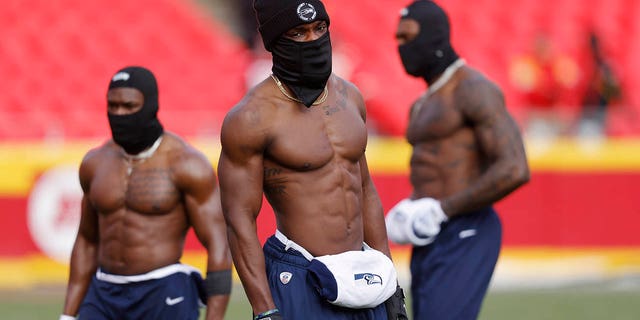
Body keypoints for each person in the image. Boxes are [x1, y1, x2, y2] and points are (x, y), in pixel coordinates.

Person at [217, 1, 408, 319]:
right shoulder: (252, 118)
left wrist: (391, 282)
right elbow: (239, 220)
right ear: (277, 42)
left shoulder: (351, 98)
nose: (313, 40)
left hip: (363, 272)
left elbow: (365, 191)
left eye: (320, 29)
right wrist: (264, 310)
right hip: (300, 271)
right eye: (299, 32)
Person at [387, 1, 530, 319]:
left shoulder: (474, 89)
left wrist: (442, 209)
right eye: (397, 39)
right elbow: (435, 171)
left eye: (407, 37)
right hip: (429, 234)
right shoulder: (422, 104)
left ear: (434, 36)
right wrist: (410, 209)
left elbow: (515, 168)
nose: (401, 47)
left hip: (467, 227)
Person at [59, 66, 232, 320]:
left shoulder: (186, 164)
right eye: (113, 106)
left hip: (163, 289)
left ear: (151, 106)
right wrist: (68, 316)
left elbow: (219, 245)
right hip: (104, 291)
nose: (119, 114)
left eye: (129, 106)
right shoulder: (95, 163)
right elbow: (86, 240)